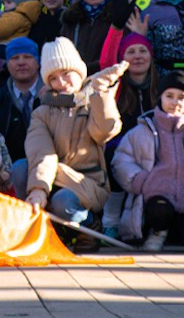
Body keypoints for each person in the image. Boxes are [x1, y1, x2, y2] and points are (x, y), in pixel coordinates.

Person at [24, 39, 124, 232]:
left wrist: (101, 93)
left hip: (87, 183)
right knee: (20, 170)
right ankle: (34, 228)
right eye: (53, 78)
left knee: (63, 201)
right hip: (51, 176)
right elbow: (42, 153)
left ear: (79, 72)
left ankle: (88, 225)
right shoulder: (42, 112)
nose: (60, 83)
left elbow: (105, 132)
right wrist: (38, 190)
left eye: (66, 74)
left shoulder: (94, 100)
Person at [112, 70, 184, 251]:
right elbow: (121, 160)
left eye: (181, 97)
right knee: (159, 211)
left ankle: (174, 232)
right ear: (160, 98)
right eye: (169, 96)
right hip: (155, 198)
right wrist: (140, 181)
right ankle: (157, 232)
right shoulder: (142, 131)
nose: (175, 102)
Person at [0, 37, 47, 190]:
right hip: (8, 177)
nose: (21, 62)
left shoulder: (52, 94)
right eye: (14, 58)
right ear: (7, 63)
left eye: (27, 57)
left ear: (38, 62)